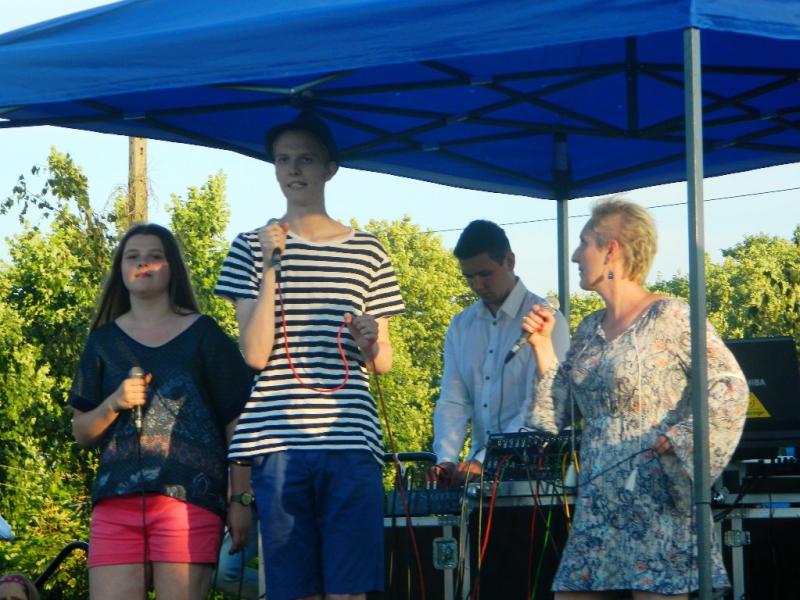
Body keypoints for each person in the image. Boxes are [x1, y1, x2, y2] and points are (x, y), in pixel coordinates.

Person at [215, 112, 405, 600]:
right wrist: (270, 266)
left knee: (350, 589)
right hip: (278, 439)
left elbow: (382, 361)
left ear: (329, 168)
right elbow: (255, 353)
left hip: (350, 438)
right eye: (283, 160)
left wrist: (370, 340)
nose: (293, 170)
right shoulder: (248, 246)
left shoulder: (369, 251)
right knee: (293, 589)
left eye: (304, 159)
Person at [522, 198, 749, 598]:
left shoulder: (671, 316)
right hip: (599, 500)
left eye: (583, 243)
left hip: (655, 497)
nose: (575, 256)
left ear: (610, 249)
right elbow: (556, 411)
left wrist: (683, 438)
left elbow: (730, 386)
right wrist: (541, 346)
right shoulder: (589, 328)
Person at [69, 224, 254, 600]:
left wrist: (241, 498)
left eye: (155, 256)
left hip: (189, 500)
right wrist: (114, 402)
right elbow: (81, 432)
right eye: (133, 257)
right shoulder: (103, 342)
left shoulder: (204, 334)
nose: (143, 264)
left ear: (173, 269)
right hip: (115, 503)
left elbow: (239, 420)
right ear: (121, 269)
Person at [428, 219, 570, 487]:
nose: (477, 285)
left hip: (537, 472)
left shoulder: (547, 320)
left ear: (509, 261)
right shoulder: (461, 325)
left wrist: (487, 459)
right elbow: (453, 400)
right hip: (479, 473)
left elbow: (538, 405)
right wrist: (445, 459)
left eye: (485, 274)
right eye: (469, 277)